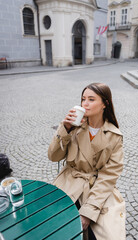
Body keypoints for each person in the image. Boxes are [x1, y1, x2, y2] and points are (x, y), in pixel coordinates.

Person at [48, 83, 126, 240]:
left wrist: (89, 211)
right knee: (53, 228)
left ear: (105, 104)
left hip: (98, 187)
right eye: (83, 99)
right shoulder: (74, 126)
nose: (85, 103)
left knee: (109, 235)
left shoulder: (114, 136)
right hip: (68, 182)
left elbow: (108, 176)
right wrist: (65, 129)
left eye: (91, 99)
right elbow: (53, 156)